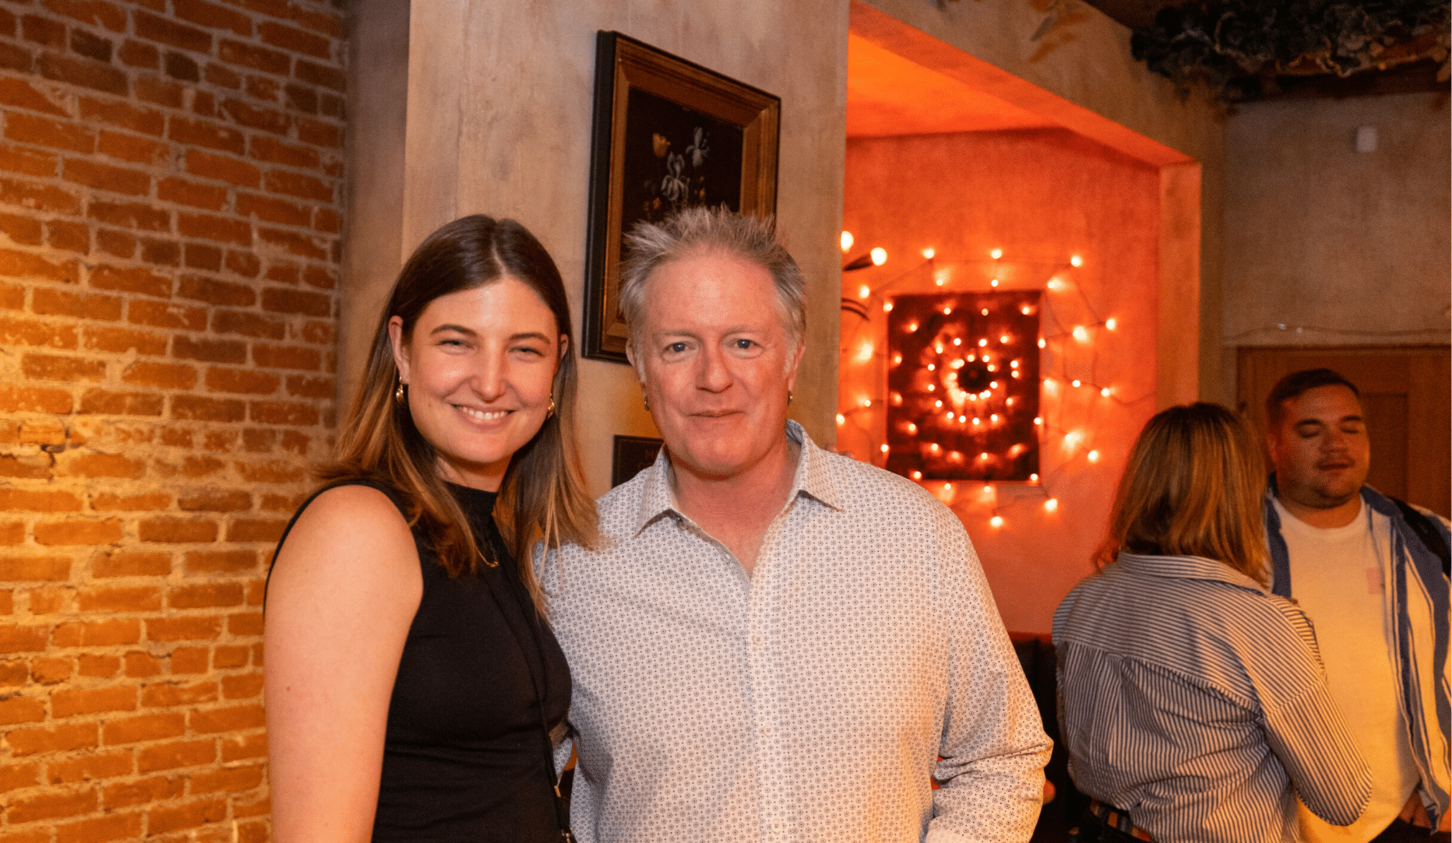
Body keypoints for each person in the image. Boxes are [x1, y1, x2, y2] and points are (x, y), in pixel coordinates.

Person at [541, 207, 1051, 842]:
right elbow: (499, 783)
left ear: (793, 358)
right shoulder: (571, 566)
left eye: (744, 343)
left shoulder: (916, 536)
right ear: (640, 367)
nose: (713, 377)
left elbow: (1002, 756)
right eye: (678, 346)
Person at [263, 215, 598, 842]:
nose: (490, 382)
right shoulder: (358, 530)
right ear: (402, 349)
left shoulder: (490, 536)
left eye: (524, 350)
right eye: (457, 343)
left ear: (556, 366)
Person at [1053, 402, 1371, 843]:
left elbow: (1078, 743)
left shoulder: (1084, 599)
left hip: (1099, 831)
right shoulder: (1259, 623)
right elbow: (1342, 798)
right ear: (1239, 497)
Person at [1263, 368, 1451, 842]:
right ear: (1274, 445)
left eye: (1351, 428)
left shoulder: (1429, 540)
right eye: (1311, 431)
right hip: (1271, 821)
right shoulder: (1229, 545)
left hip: (1405, 819)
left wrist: (1445, 781)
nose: (1336, 445)